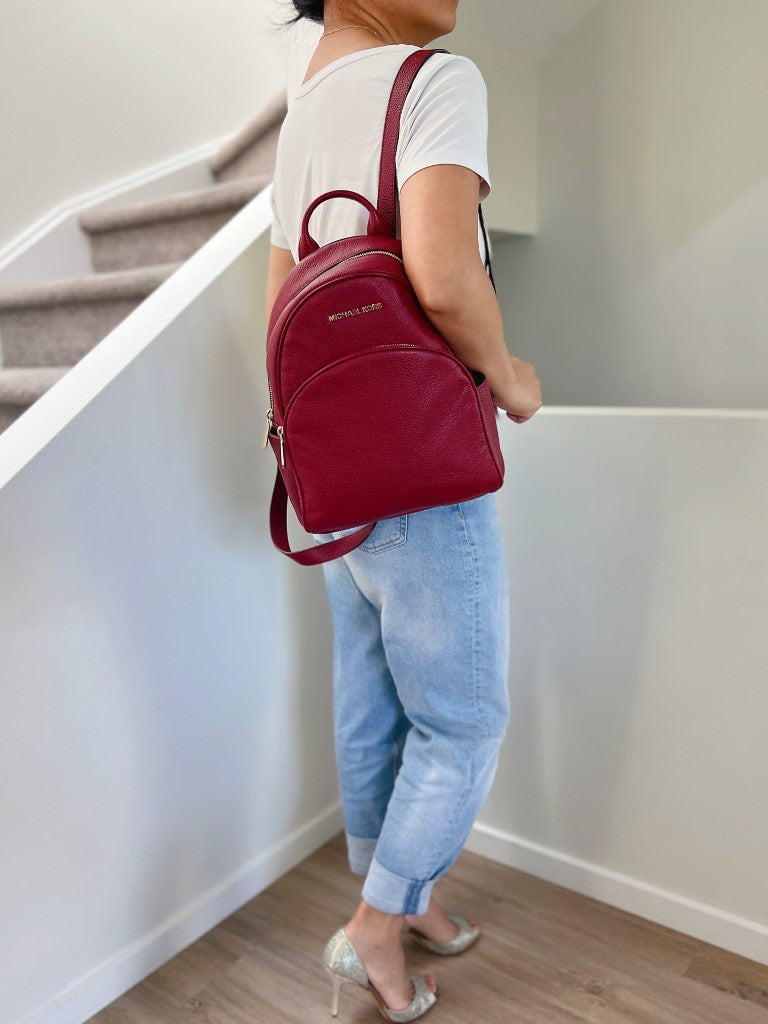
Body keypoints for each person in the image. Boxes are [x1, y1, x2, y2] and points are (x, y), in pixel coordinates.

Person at [265, 1, 542, 1019]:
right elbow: (442, 273)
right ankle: (374, 931)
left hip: (337, 474)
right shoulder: (433, 79)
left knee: (371, 691)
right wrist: (511, 380)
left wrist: (306, 446)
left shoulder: (304, 113)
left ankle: (399, 893)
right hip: (423, 468)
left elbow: (279, 301)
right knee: (465, 720)